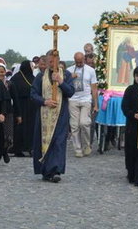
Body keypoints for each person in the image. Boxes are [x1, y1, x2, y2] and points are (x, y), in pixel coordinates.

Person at [31, 50, 75, 183]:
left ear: (58, 60)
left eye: (54, 61)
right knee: (44, 141)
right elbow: (33, 94)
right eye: (49, 61)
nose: (52, 64)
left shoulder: (66, 75)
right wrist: (45, 101)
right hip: (44, 115)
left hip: (60, 115)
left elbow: (71, 92)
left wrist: (61, 82)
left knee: (58, 142)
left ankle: (56, 170)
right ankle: (46, 170)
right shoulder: (40, 77)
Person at [67, 52, 98, 158]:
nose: (79, 64)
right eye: (77, 62)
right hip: (73, 99)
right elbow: (64, 83)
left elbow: (94, 88)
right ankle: (78, 148)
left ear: (84, 59)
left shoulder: (90, 71)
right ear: (74, 60)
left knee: (84, 123)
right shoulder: (69, 70)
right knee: (74, 125)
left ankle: (86, 144)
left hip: (86, 99)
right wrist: (70, 77)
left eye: (81, 62)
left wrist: (96, 104)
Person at [10, 60, 36, 157]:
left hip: (31, 107)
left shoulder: (32, 78)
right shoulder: (15, 79)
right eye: (31, 66)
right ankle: (18, 148)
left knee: (30, 128)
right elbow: (14, 94)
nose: (32, 68)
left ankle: (30, 147)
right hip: (19, 106)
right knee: (19, 128)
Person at [0, 63, 13, 163]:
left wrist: (18, 114)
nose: (0, 74)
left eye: (2, 72)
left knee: (8, 135)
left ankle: (5, 151)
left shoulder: (9, 84)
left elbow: (15, 98)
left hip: (9, 112)